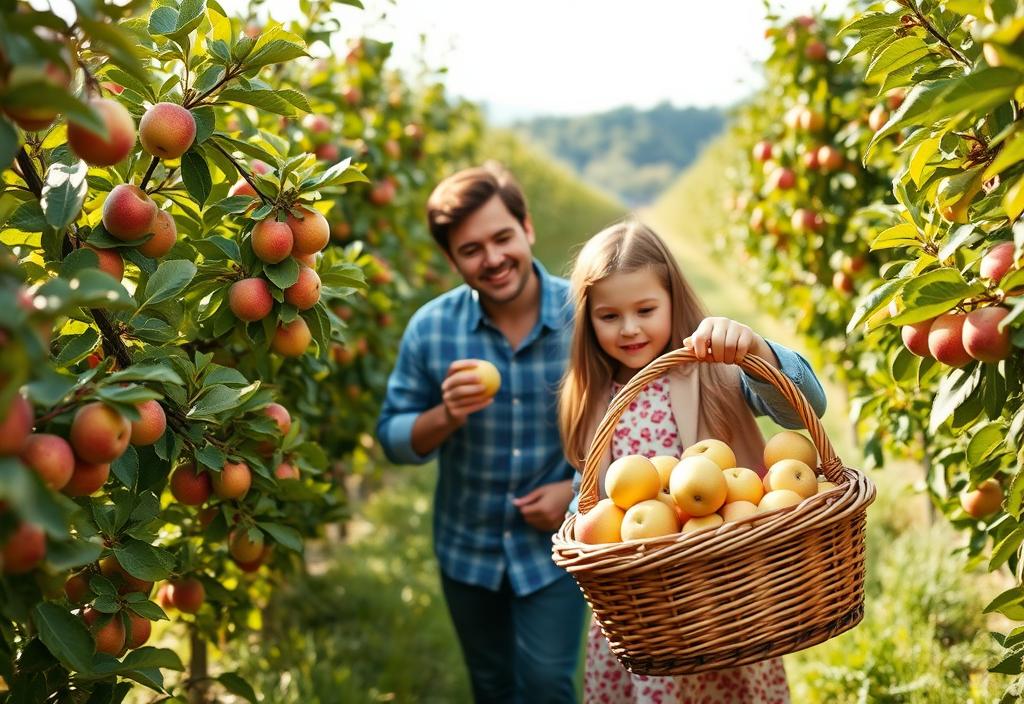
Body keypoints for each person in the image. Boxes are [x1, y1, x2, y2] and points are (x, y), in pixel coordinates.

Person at [558, 220, 827, 704]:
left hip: (729, 595)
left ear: (673, 302)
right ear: (587, 320)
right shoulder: (595, 400)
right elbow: (593, 495)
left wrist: (755, 351)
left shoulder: (714, 372)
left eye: (645, 309)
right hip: (647, 614)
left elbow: (804, 405)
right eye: (610, 316)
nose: (630, 328)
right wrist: (576, 526)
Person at [376, 163, 585, 703]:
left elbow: (632, 428)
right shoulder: (432, 327)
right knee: (491, 686)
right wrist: (445, 415)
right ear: (452, 259)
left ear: (527, 228)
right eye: (471, 249)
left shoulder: (584, 316)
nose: (492, 259)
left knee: (546, 685)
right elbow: (393, 437)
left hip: (559, 548)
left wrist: (578, 491)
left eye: (502, 237)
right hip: (469, 549)